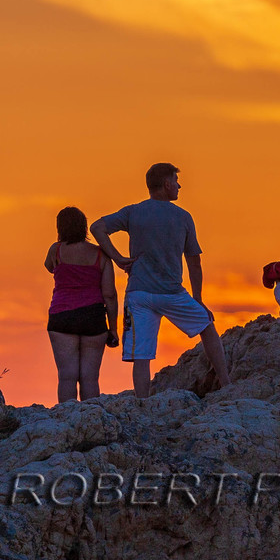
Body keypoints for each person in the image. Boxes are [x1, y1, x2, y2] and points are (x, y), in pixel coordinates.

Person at [91, 163, 231, 397]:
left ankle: (143, 404)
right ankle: (226, 384)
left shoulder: (133, 212)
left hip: (140, 294)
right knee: (206, 326)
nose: (179, 185)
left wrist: (117, 258)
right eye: (176, 181)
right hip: (172, 293)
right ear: (166, 184)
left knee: (142, 355)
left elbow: (97, 228)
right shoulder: (183, 217)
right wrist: (198, 299)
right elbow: (194, 261)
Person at [44, 206, 119, 403]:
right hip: (92, 317)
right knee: (90, 377)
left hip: (61, 316)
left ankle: (67, 422)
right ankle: (90, 419)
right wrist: (113, 329)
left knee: (67, 376)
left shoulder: (56, 250)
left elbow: (48, 267)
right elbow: (109, 295)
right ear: (84, 227)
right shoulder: (100, 255)